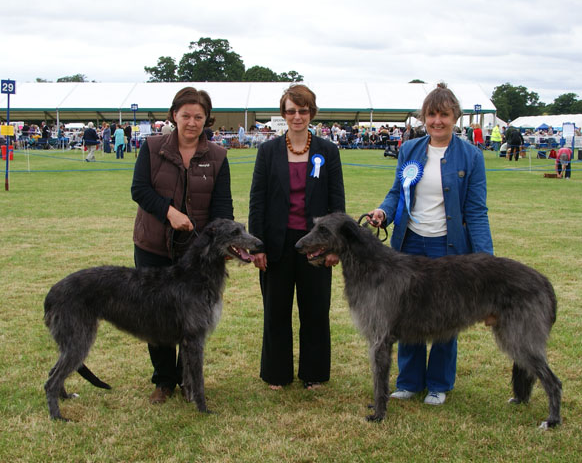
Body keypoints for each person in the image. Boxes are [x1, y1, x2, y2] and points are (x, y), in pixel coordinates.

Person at [366, 83, 493, 406]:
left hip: (448, 249)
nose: (437, 121)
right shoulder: (411, 150)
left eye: (444, 115)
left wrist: (486, 261)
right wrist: (384, 211)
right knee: (406, 314)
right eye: (431, 115)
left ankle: (438, 383)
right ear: (424, 118)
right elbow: (397, 192)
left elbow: (476, 211)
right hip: (409, 245)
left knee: (444, 317)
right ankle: (408, 381)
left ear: (455, 118)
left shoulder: (471, 156)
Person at [131, 86, 233, 404]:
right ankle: (164, 381)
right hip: (153, 245)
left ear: (207, 119)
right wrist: (169, 212)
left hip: (197, 254)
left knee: (192, 318)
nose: (191, 122)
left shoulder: (218, 156)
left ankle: (189, 380)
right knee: (157, 315)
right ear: (174, 115)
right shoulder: (152, 147)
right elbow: (139, 190)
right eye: (186, 115)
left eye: (198, 116)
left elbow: (222, 209)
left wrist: (213, 244)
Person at [249, 84, 345, 391]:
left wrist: (334, 246)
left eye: (303, 111)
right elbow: (257, 201)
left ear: (312, 113)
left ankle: (314, 373)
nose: (297, 116)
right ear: (283, 114)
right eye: (291, 111)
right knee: (275, 312)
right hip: (277, 245)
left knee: (316, 311)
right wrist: (258, 246)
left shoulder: (328, 151)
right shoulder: (267, 151)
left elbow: (336, 203)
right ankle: (276, 374)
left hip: (316, 247)